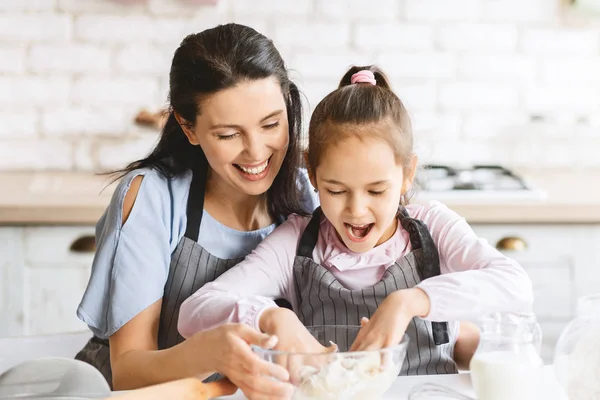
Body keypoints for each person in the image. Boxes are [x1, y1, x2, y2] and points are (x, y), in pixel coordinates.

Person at [177, 66, 534, 375]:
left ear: (407, 174)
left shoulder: (433, 228)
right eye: (336, 190)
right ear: (313, 175)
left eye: (377, 192)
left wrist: (409, 301)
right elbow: (193, 312)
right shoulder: (297, 242)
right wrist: (269, 317)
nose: (357, 210)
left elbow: (515, 285)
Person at [74, 23, 318, 399]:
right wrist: (208, 352)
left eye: (271, 124)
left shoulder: (306, 196)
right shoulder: (154, 198)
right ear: (189, 128)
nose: (256, 151)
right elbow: (127, 373)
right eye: (228, 134)